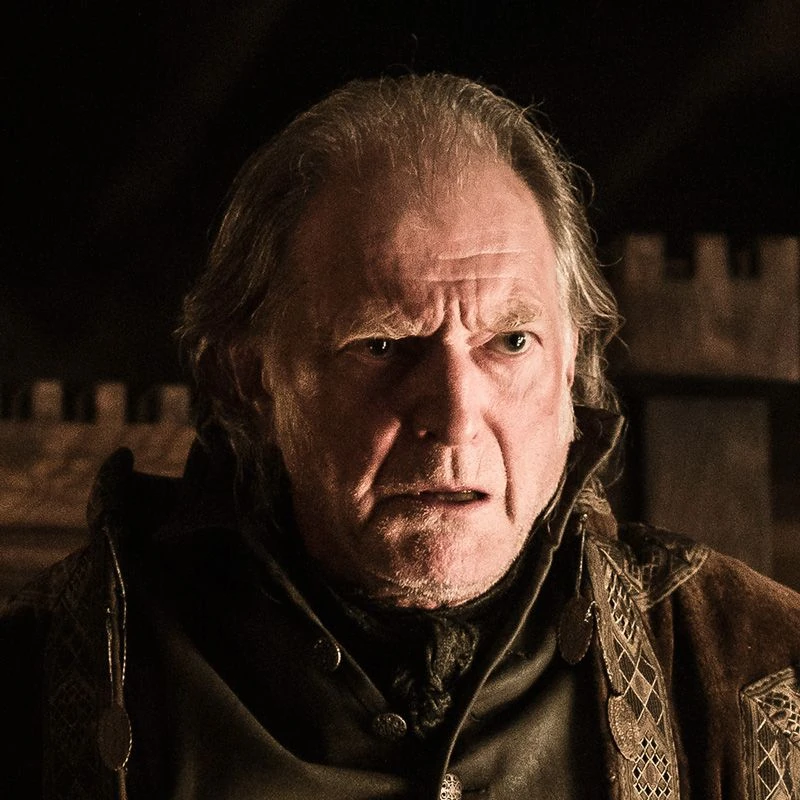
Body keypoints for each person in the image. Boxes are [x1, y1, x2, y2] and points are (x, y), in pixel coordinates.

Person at [2, 73, 798, 800]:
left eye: (509, 342)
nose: (453, 417)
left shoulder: (756, 675)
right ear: (252, 377)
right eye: (383, 345)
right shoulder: (35, 690)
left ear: (571, 366)